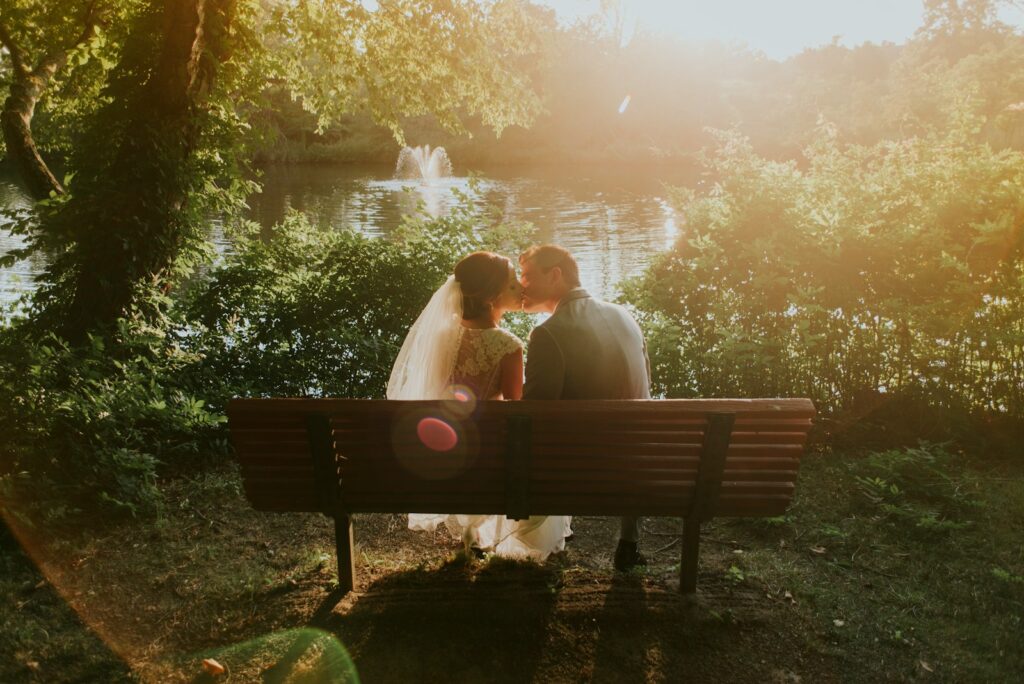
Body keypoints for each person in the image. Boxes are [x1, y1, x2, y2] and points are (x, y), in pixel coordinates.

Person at [387, 251, 569, 561]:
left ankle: (471, 535)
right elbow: (516, 408)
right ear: (490, 297)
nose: (522, 289)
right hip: (490, 457)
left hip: (445, 453)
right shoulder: (509, 346)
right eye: (513, 285)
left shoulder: (441, 336)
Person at [518, 244, 652, 571]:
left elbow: (531, 416)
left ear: (555, 275)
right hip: (641, 462)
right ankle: (629, 540)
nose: (522, 286)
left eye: (528, 277)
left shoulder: (548, 333)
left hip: (585, 468)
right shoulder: (625, 315)